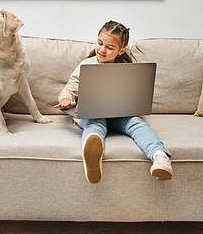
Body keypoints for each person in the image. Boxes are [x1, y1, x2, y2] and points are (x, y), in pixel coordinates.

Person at [54, 21, 173, 184]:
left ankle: (160, 157)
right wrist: (66, 100)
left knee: (136, 123)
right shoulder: (87, 64)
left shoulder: (125, 68)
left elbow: (135, 95)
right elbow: (70, 87)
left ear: (121, 50)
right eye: (100, 43)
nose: (102, 49)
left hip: (119, 115)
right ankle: (93, 151)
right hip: (91, 115)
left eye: (110, 47)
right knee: (95, 124)